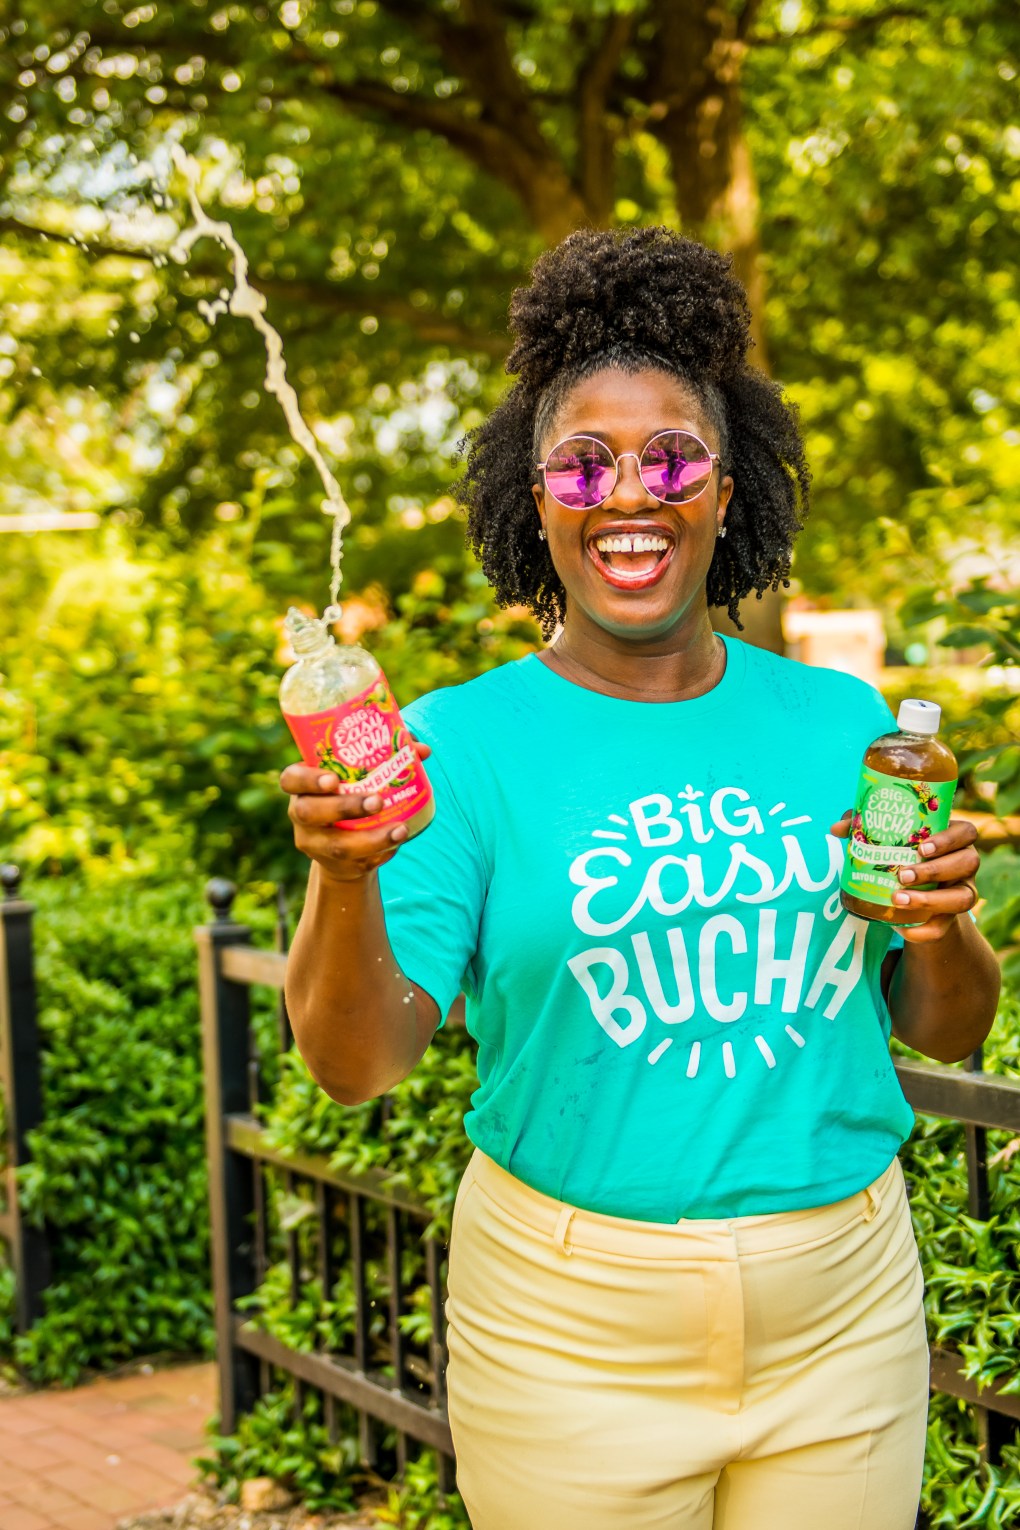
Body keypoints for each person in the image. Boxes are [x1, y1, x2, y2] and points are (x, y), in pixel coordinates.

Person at [280, 228, 1000, 1530]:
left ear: (727, 492)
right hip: (567, 1330)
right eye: (582, 462)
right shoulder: (455, 745)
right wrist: (342, 880)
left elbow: (945, 1030)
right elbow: (356, 1063)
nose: (630, 493)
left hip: (845, 1307)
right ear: (536, 497)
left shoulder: (845, 724)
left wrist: (944, 928)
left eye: (672, 458)